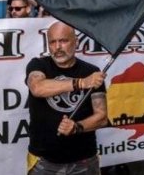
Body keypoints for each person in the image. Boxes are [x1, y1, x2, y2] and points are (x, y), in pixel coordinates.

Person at [25, 21, 107, 174]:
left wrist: (77, 127)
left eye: (63, 41)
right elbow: (37, 88)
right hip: (44, 161)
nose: (57, 47)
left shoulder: (91, 71)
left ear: (75, 42)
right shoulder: (38, 65)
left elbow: (101, 117)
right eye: (52, 42)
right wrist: (81, 83)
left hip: (84, 161)